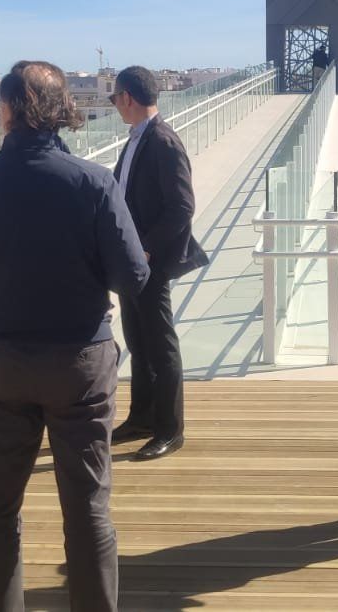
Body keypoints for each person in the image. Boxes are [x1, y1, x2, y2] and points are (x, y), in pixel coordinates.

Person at [0, 60, 149, 612]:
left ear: (7, 111)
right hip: (78, 362)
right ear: (60, 112)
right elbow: (131, 277)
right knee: (87, 510)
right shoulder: (93, 182)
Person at [108, 65, 209, 462]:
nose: (115, 105)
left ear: (128, 97)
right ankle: (142, 418)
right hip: (134, 263)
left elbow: (183, 207)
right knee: (139, 340)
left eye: (115, 97)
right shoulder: (137, 140)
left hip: (150, 262)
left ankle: (170, 429)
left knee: (161, 345)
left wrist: (146, 250)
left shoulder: (163, 141)